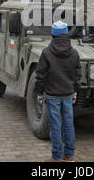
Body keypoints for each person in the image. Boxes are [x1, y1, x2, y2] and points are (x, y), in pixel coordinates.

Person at [34, 21, 82, 162]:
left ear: (53, 35)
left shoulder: (47, 53)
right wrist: (75, 90)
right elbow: (78, 75)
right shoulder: (74, 52)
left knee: (55, 126)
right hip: (67, 94)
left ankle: (56, 157)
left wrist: (39, 92)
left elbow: (40, 75)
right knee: (68, 125)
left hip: (52, 95)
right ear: (66, 34)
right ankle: (69, 156)